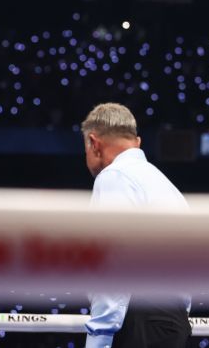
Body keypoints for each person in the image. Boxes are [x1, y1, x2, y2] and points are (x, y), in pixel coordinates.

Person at [81, 102, 192, 348]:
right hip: (173, 322)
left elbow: (112, 265)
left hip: (137, 323)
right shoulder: (166, 186)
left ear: (94, 143)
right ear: (136, 143)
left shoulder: (114, 177)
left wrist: (99, 338)